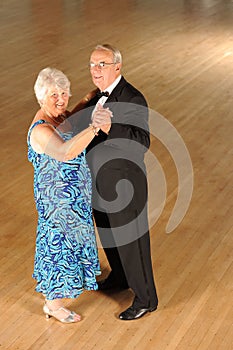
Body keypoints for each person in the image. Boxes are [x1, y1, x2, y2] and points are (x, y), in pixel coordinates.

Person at [73, 44, 158, 320]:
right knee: (110, 237)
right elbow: (75, 126)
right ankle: (120, 278)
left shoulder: (133, 98)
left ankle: (146, 299)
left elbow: (141, 142)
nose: (95, 70)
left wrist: (111, 128)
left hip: (126, 187)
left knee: (133, 244)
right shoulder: (97, 97)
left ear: (117, 67)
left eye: (102, 65)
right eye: (92, 65)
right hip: (100, 184)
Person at [27, 67, 111, 323]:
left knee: (73, 243)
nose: (61, 99)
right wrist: (95, 128)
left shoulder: (57, 115)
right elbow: (65, 151)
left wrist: (87, 99)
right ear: (42, 97)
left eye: (64, 93)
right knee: (58, 248)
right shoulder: (40, 129)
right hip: (57, 203)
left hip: (73, 198)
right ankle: (53, 305)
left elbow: (69, 122)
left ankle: (63, 290)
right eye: (54, 94)